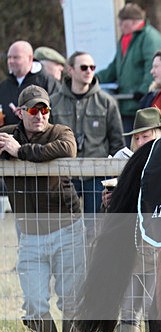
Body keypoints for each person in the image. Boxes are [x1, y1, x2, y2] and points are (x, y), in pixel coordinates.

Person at [0, 85, 83, 332]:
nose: (40, 115)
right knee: (34, 305)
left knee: (71, 300)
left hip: (67, 229)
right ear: (20, 112)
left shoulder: (60, 132)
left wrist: (20, 151)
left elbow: (67, 150)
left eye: (44, 109)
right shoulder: (7, 134)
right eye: (33, 110)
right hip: (30, 235)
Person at [105, 107, 161, 332]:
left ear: (160, 134)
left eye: (145, 137)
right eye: (136, 138)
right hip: (133, 247)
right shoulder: (126, 164)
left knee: (160, 307)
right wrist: (112, 203)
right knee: (128, 309)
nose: (139, 143)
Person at [51, 51, 124, 241]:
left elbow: (117, 143)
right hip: (65, 175)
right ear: (70, 70)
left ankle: (93, 267)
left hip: (97, 175)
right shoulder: (54, 103)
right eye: (83, 67)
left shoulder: (107, 102)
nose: (89, 71)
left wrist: (113, 180)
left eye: (92, 67)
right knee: (65, 229)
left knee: (95, 229)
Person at [96, 3, 161, 132]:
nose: (120, 25)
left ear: (134, 21)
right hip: (126, 104)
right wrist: (94, 78)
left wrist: (144, 91)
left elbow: (152, 67)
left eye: (123, 22)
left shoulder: (150, 38)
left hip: (143, 104)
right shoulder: (125, 38)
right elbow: (114, 68)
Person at [0, 41, 58, 126]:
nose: (11, 61)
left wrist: (28, 113)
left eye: (16, 57)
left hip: (40, 138)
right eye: (9, 57)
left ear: (30, 58)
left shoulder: (48, 82)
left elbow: (56, 114)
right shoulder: (3, 86)